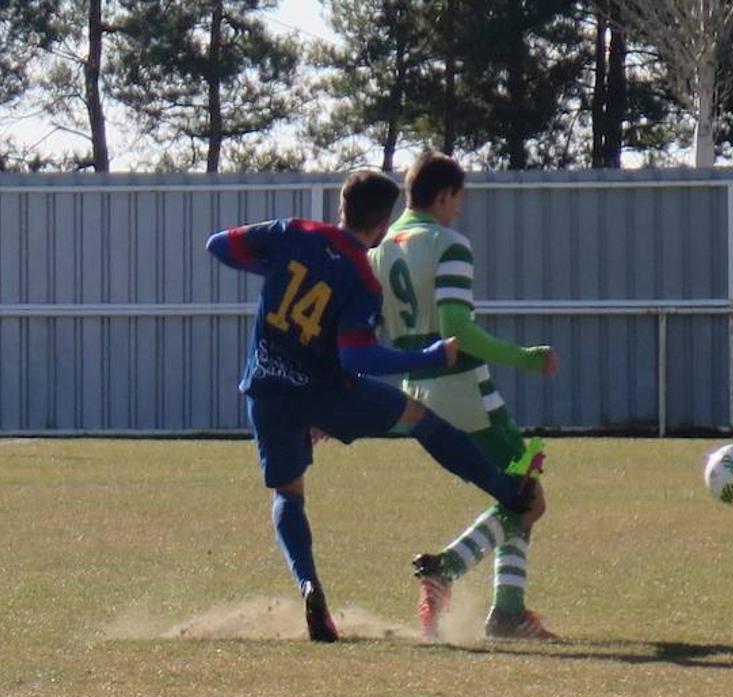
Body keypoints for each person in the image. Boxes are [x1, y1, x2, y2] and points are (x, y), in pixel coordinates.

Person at [206, 169, 545, 644]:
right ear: (382, 223)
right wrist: (422, 357)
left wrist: (275, 270)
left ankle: (309, 584)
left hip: (267, 390)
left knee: (289, 495)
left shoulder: (292, 232)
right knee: (422, 421)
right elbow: (356, 356)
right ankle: (505, 490)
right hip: (329, 392)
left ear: (341, 204)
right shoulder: (362, 279)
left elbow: (218, 245)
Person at [370, 152, 560, 641]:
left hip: (416, 393)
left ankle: (506, 610)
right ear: (444, 195)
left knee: (518, 492)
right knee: (526, 495)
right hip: (463, 387)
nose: (460, 210)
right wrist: (526, 357)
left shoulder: (381, 249)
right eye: (459, 199)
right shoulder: (449, 244)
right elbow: (458, 331)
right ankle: (454, 575)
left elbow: (369, 331)